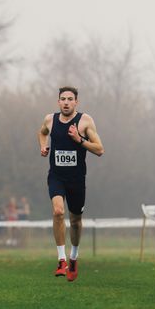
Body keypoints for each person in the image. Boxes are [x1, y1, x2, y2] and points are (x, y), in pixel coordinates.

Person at [38, 86, 104, 282]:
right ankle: (61, 260)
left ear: (76, 102)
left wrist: (79, 139)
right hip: (56, 176)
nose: (66, 102)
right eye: (63, 99)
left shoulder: (85, 121)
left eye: (70, 99)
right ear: (58, 102)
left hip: (76, 180)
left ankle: (73, 257)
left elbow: (100, 149)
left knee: (75, 221)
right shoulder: (50, 119)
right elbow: (42, 133)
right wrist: (43, 146)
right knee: (58, 211)